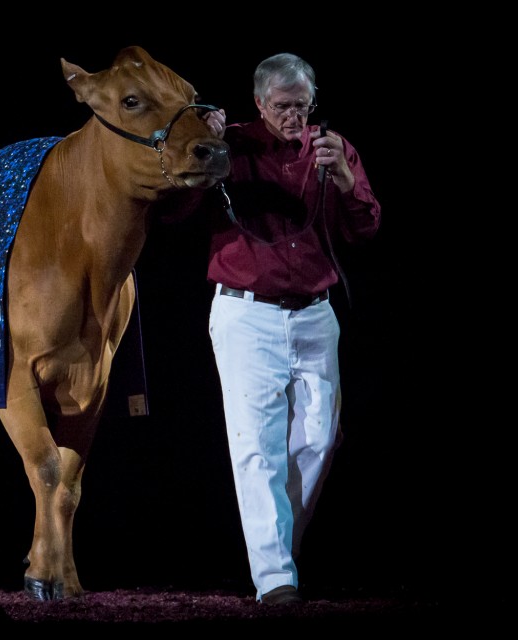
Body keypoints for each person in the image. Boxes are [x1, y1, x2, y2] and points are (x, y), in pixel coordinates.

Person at [165, 53, 381, 605]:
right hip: (247, 313)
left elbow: (366, 228)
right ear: (259, 104)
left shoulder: (331, 149)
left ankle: (277, 545)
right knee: (256, 447)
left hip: (314, 311)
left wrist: (347, 178)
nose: (294, 118)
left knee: (319, 437)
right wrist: (203, 146)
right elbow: (176, 210)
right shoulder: (232, 146)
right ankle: (276, 580)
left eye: (303, 107)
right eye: (283, 108)